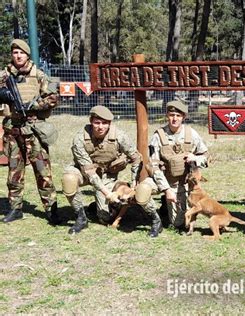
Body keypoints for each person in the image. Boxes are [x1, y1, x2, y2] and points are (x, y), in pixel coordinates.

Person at [62, 106, 163, 237]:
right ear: (91, 121)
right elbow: (90, 172)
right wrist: (106, 193)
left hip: (107, 175)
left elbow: (136, 157)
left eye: (104, 123)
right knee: (69, 179)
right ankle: (81, 217)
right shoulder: (80, 138)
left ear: (109, 124)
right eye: (97, 123)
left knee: (105, 218)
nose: (100, 127)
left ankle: (106, 206)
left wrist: (134, 181)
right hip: (83, 172)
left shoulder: (119, 136)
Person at [0, 39, 59, 224]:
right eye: (15, 53)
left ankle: (51, 209)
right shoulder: (3, 75)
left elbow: (52, 98)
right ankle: (15, 208)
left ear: (27, 55)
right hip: (13, 130)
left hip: (34, 129)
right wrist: (3, 95)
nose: (18, 56)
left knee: (43, 171)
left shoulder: (39, 75)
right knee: (14, 172)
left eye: (21, 53)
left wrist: (34, 105)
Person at [140, 100, 208, 230]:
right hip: (163, 180)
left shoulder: (191, 133)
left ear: (184, 117)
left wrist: (196, 158)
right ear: (167, 115)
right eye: (171, 115)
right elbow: (152, 165)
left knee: (179, 224)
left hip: (183, 184)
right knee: (142, 191)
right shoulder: (158, 135)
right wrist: (166, 190)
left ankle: (167, 208)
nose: (174, 119)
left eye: (178, 115)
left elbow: (206, 157)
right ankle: (156, 220)